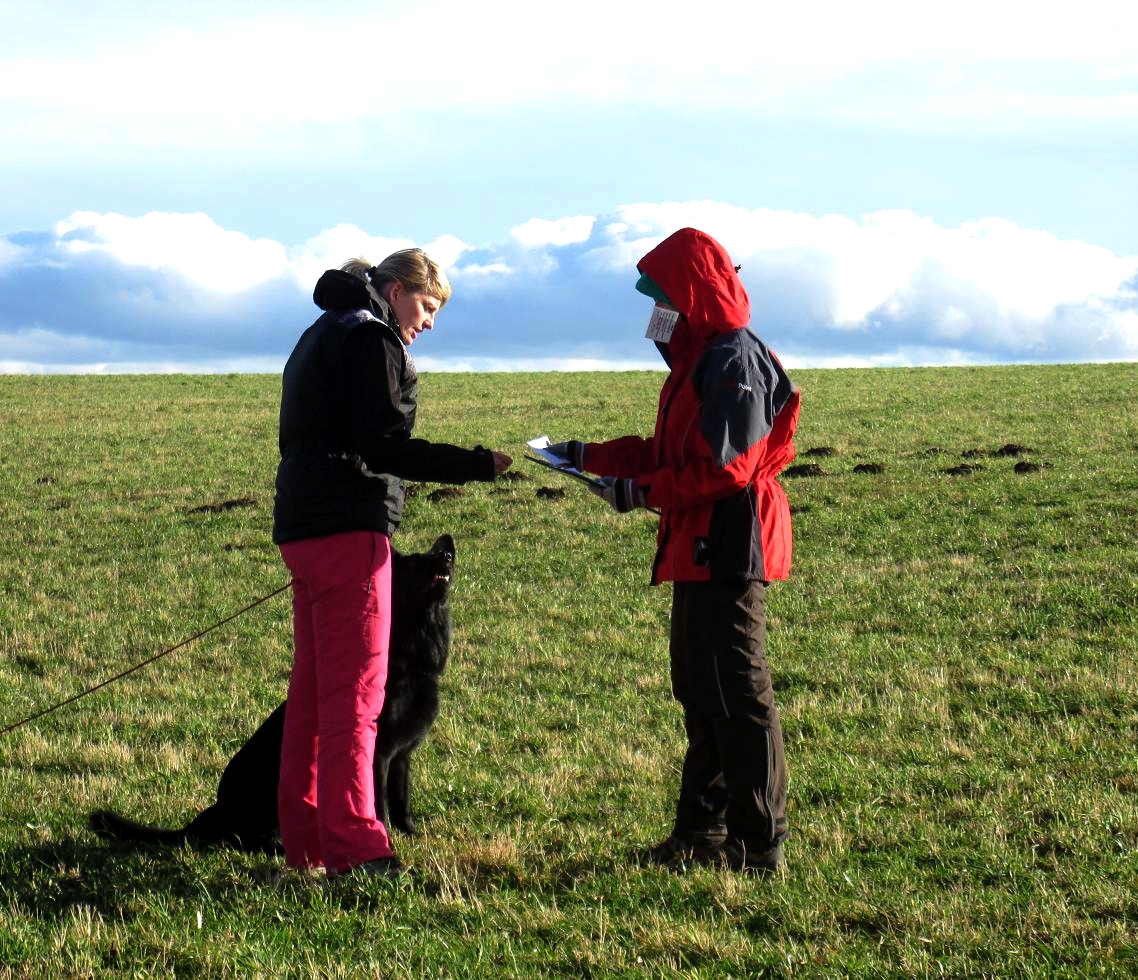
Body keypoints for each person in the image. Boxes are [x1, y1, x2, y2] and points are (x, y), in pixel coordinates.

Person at [548, 227, 799, 874]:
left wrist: (638, 491)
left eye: (661, 297)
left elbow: (728, 469)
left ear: (689, 294)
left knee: (738, 692)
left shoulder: (732, 358)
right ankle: (699, 835)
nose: (655, 313)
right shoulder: (701, 359)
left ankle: (755, 844)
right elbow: (672, 456)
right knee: (699, 688)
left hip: (729, 537)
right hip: (696, 539)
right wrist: (586, 458)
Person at [272, 247, 512, 879]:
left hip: (303, 524)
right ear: (398, 289)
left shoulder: (320, 332)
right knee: (355, 696)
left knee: (314, 694)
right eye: (428, 306)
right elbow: (385, 445)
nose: (429, 322)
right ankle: (357, 848)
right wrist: (472, 464)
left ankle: (307, 842)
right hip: (350, 526)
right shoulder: (371, 338)